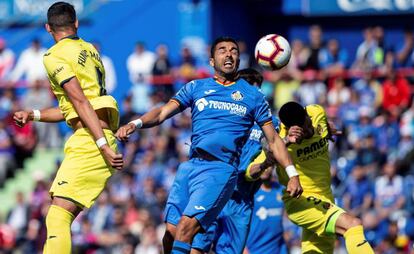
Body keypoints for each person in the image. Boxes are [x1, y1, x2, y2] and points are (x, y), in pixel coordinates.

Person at [115, 37, 302, 254]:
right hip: (191, 166)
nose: (229, 54)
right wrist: (134, 123)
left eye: (233, 50)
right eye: (222, 50)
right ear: (212, 61)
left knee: (187, 230)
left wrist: (292, 173)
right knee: (171, 233)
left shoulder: (252, 96)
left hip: (220, 169)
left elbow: (274, 140)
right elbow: (162, 112)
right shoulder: (196, 87)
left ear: (239, 60)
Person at [13, 2, 123, 253]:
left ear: (48, 28)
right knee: (60, 211)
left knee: (56, 217)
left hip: (91, 139)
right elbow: (71, 109)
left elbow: (80, 102)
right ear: (76, 23)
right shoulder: (90, 50)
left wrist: (102, 145)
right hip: (94, 133)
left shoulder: (54, 55)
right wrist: (34, 114)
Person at [250, 101, 374, 254]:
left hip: (326, 197)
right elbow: (251, 172)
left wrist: (328, 128)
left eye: (307, 122)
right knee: (353, 225)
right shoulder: (280, 141)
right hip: (301, 200)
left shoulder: (317, 112)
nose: (309, 129)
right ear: (292, 130)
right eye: (303, 129)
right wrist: (283, 146)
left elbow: (322, 124)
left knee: (316, 251)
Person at [191, 68, 279, 254]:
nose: (256, 94)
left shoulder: (272, 124)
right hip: (214, 191)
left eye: (259, 89)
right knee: (198, 247)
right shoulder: (223, 114)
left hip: (241, 200)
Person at [245, 169, 287, 254]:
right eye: (263, 164)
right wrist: (243, 248)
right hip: (253, 249)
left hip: (278, 249)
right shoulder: (250, 192)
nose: (266, 169)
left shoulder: (281, 189)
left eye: (269, 165)